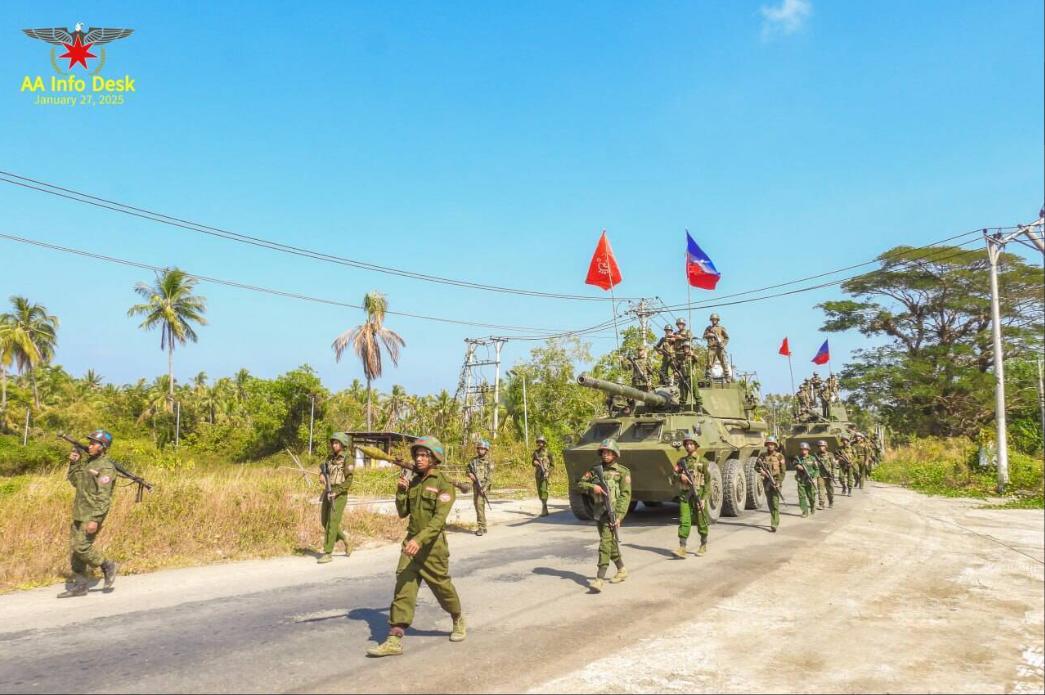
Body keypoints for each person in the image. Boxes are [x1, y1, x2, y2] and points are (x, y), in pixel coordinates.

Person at [366, 436, 465, 657]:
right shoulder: (415, 481)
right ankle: (394, 638)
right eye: (417, 455)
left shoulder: (444, 484)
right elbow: (403, 513)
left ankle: (457, 617)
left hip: (432, 547)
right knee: (403, 587)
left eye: (424, 455)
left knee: (442, 587)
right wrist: (401, 491)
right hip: (410, 544)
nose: (419, 459)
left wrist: (419, 540)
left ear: (434, 458)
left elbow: (438, 521)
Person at [60, 430, 118, 598]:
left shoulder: (106, 467)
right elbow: (75, 482)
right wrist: (74, 464)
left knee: (82, 547)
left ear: (103, 447)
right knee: (76, 550)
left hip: (91, 514)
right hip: (79, 512)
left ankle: (108, 565)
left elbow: (104, 496)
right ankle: (80, 585)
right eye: (90, 443)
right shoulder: (89, 463)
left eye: (93, 443)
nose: (90, 446)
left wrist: (96, 519)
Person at [575, 439, 631, 593]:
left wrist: (619, 516)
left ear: (615, 454)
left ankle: (599, 579)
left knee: (605, 544)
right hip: (599, 512)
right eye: (603, 452)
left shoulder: (623, 472)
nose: (605, 455)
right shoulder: (595, 470)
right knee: (610, 543)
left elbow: (625, 496)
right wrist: (594, 487)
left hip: (612, 513)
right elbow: (580, 484)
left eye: (608, 452)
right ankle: (621, 569)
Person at [317, 432, 354, 563]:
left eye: (337, 443)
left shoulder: (348, 458)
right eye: (333, 442)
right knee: (324, 521)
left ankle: (328, 553)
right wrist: (321, 474)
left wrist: (337, 492)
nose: (334, 445)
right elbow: (324, 468)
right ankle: (345, 539)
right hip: (328, 491)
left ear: (343, 444)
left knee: (332, 523)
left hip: (339, 495)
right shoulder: (330, 458)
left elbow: (349, 480)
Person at [672, 434, 709, 557]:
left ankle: (703, 544)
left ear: (696, 445)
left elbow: (708, 482)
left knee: (701, 520)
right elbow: (672, 477)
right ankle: (682, 547)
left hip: (698, 494)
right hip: (685, 495)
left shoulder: (703, 462)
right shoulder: (681, 461)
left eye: (691, 444)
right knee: (684, 520)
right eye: (687, 444)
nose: (688, 446)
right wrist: (679, 476)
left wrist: (704, 499)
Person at [756, 436, 787, 532]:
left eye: (772, 444)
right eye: (769, 444)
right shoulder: (762, 455)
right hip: (766, 483)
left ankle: (774, 523)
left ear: (775, 445)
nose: (770, 446)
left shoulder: (779, 456)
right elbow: (756, 466)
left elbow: (783, 471)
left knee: (775, 503)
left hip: (776, 481)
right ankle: (773, 519)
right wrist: (761, 471)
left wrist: (779, 482)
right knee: (770, 503)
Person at [467, 439, 493, 536]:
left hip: (484, 487)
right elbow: (467, 469)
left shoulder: (489, 462)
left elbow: (490, 478)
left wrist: (484, 488)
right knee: (478, 506)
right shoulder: (473, 461)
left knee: (479, 506)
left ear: (486, 450)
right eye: (479, 448)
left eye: (483, 448)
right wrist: (470, 474)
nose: (480, 450)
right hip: (475, 486)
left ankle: (481, 527)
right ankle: (484, 526)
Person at [792, 441, 819, 518]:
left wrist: (814, 478)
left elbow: (817, 470)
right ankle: (805, 511)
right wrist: (797, 466)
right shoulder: (798, 458)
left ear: (808, 450)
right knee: (801, 497)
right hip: (801, 480)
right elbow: (793, 463)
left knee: (811, 496)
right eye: (802, 449)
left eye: (805, 449)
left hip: (810, 480)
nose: (803, 451)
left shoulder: (812, 458)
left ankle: (813, 506)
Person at [702, 313, 730, 380]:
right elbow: (704, 336)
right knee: (709, 362)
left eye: (715, 319)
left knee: (723, 361)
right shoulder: (708, 328)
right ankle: (708, 376)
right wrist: (710, 335)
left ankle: (727, 376)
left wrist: (723, 344)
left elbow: (727, 338)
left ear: (717, 320)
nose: (713, 321)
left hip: (719, 347)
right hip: (711, 347)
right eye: (712, 319)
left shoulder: (721, 328)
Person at [531, 435, 552, 517]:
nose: (540, 443)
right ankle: (544, 507)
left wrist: (548, 472)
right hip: (538, 475)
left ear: (544, 443)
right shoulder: (535, 452)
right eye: (538, 442)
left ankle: (544, 507)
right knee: (539, 492)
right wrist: (535, 463)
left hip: (545, 475)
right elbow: (532, 462)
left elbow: (552, 465)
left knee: (544, 490)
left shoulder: (548, 452)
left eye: (541, 442)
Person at [813, 440, 836, 509]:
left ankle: (831, 501)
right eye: (819, 446)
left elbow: (833, 465)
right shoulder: (816, 455)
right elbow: (814, 466)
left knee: (830, 490)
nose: (821, 448)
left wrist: (832, 473)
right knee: (820, 490)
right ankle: (821, 504)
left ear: (826, 446)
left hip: (829, 475)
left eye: (822, 446)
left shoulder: (830, 454)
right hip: (820, 475)